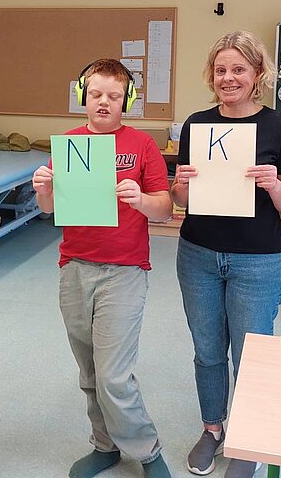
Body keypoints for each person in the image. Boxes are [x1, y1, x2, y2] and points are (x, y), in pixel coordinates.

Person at [170, 32, 281, 478]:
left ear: (257, 75)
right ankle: (213, 429)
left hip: (258, 260)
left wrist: (274, 184)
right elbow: (181, 200)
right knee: (207, 350)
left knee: (250, 354)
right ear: (212, 76)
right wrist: (182, 186)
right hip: (199, 254)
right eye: (221, 70)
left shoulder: (280, 129)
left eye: (239, 69)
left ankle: (248, 439)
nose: (228, 78)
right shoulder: (197, 124)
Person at [31, 59, 174, 478]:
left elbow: (165, 209)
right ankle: (105, 444)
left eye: (114, 95)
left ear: (127, 100)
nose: (104, 103)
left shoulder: (143, 145)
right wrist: (45, 189)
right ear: (83, 97)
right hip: (74, 267)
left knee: (114, 374)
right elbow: (49, 209)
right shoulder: (70, 143)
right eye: (96, 94)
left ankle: (147, 451)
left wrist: (141, 199)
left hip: (125, 270)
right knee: (90, 369)